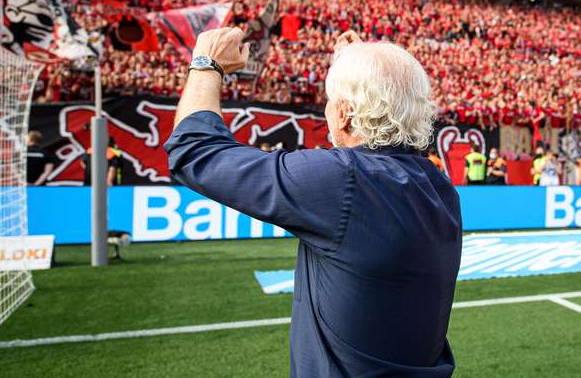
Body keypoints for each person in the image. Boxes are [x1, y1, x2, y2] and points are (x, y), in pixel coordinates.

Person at [164, 28, 461, 377]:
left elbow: (193, 150)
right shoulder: (438, 186)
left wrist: (206, 65)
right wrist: (356, 71)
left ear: (344, 114)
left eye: (331, 103)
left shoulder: (342, 181)